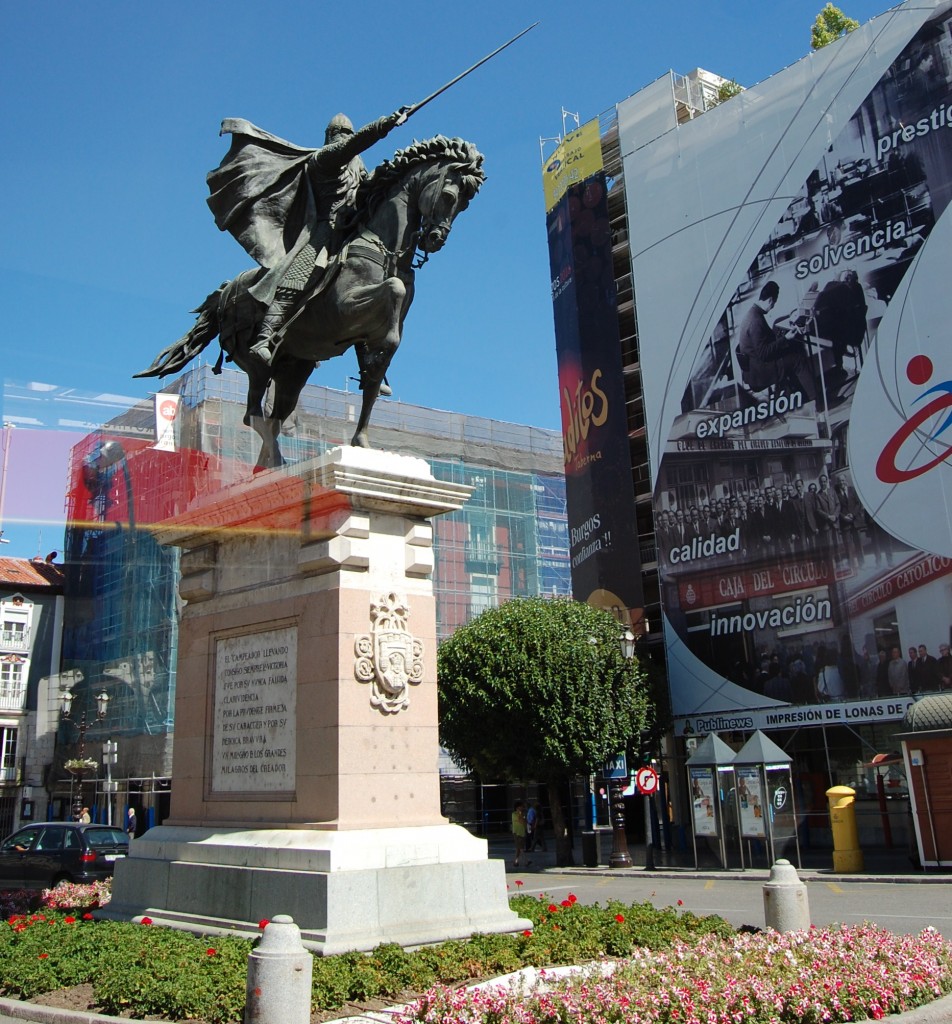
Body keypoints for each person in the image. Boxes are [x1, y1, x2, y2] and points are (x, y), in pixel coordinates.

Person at [206, 107, 409, 373]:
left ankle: (371, 358)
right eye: (341, 134)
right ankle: (265, 336)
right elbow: (353, 146)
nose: (343, 138)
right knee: (300, 274)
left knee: (376, 281)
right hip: (322, 231)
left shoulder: (357, 165)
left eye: (346, 134)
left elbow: (368, 188)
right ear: (330, 137)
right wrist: (386, 123)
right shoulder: (324, 158)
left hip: (351, 229)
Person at [736, 281, 816, 401]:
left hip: (754, 368)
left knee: (792, 351)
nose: (773, 307)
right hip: (761, 372)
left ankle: (800, 394)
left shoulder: (752, 313)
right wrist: (785, 338)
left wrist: (781, 337)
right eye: (774, 303)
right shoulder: (756, 321)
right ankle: (817, 402)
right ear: (770, 300)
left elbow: (761, 341)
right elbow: (763, 353)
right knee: (798, 359)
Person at [511, 800, 529, 868]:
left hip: (522, 832)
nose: (522, 808)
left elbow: (525, 822)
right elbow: (521, 821)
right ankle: (526, 861)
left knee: (518, 848)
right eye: (521, 806)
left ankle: (516, 861)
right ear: (517, 807)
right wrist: (521, 816)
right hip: (517, 833)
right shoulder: (514, 814)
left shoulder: (523, 814)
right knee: (521, 848)